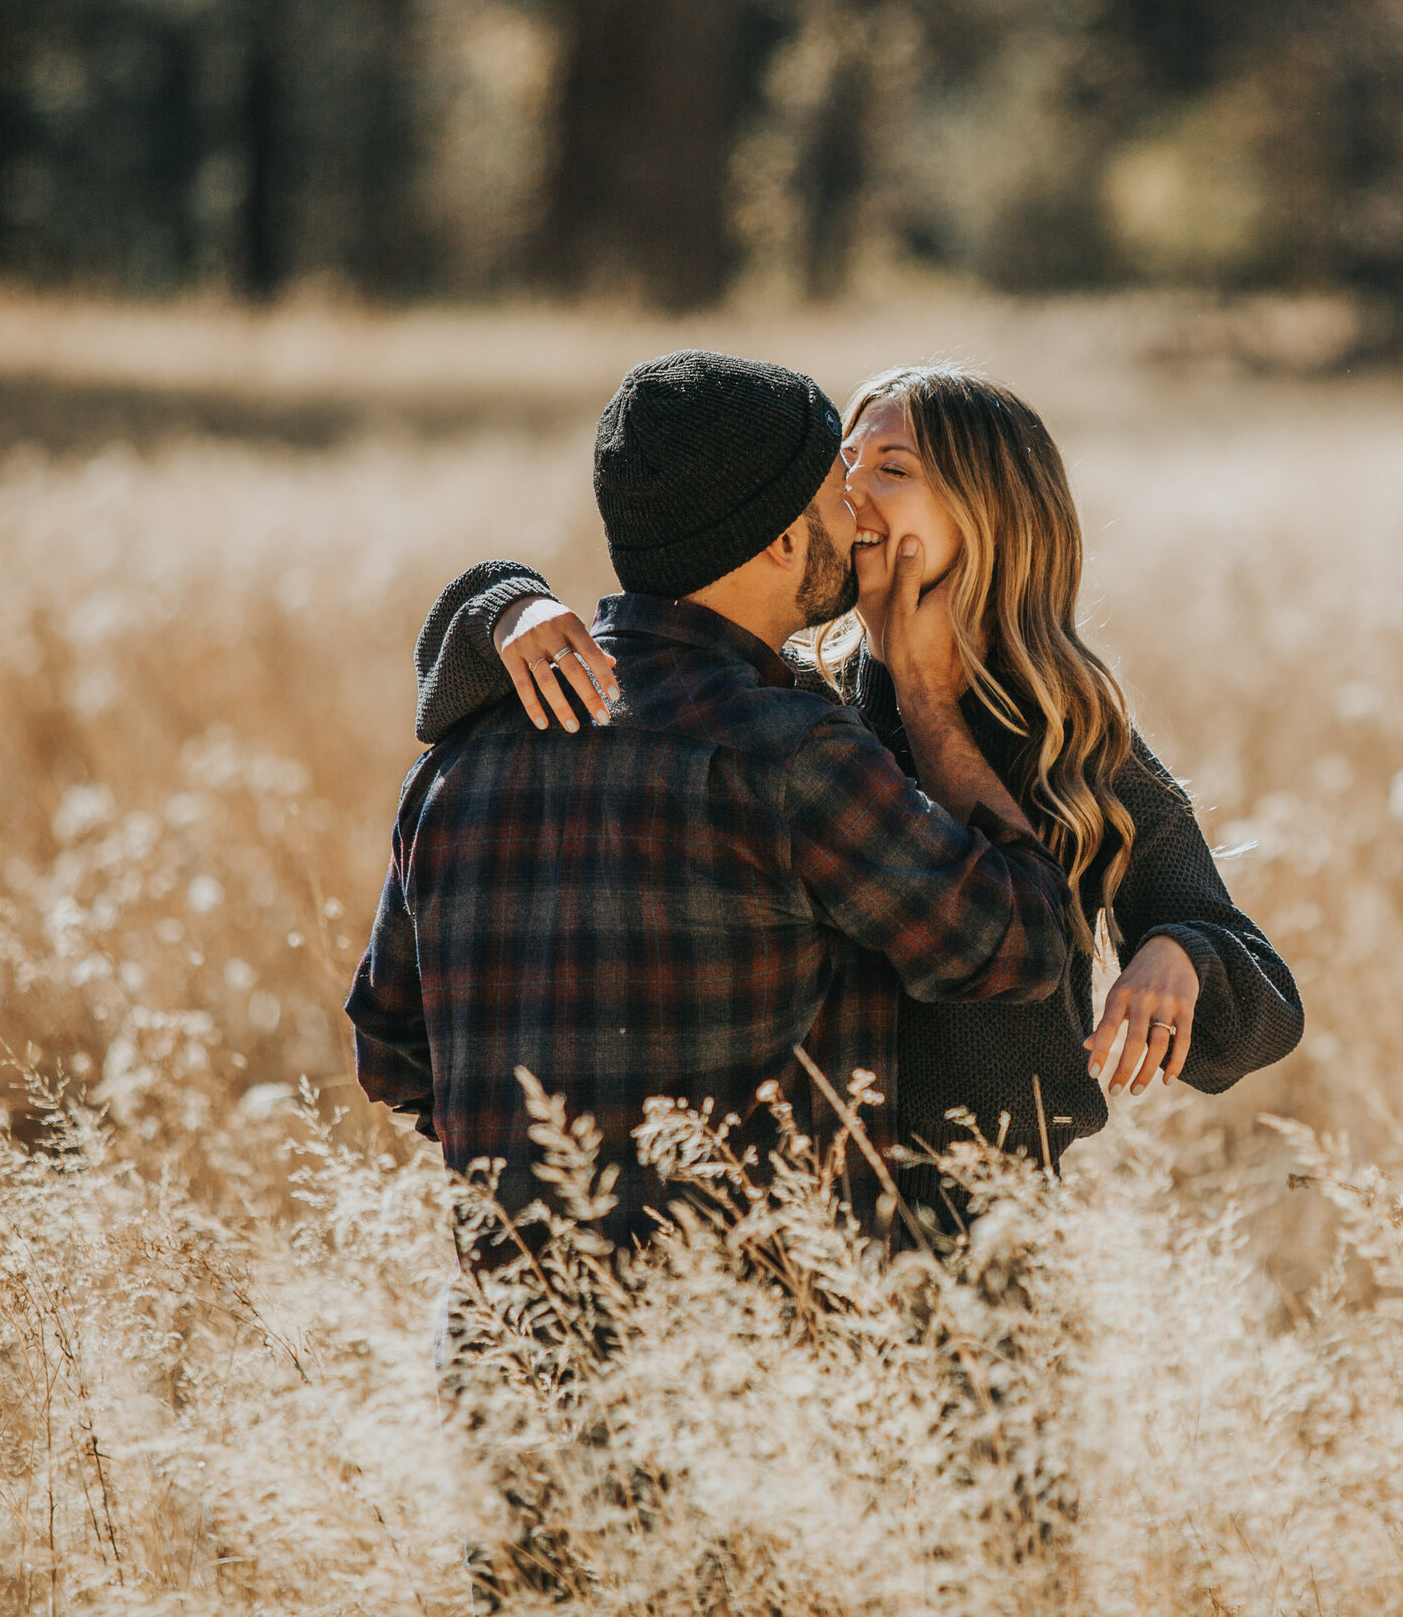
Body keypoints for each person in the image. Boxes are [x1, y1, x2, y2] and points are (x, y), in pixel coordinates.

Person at [417, 364, 1303, 1217]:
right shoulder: (791, 700)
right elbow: (624, 660)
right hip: (822, 1238)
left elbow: (1262, 1003)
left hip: (992, 1233)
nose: (851, 494)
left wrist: (1182, 950)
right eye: (844, 466)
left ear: (989, 511)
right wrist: (502, 602)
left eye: (894, 468)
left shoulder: (1069, 733)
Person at [343, 350, 1074, 1247]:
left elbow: (390, 1054)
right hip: (746, 1356)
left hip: (514, 1358)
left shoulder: (457, 763)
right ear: (781, 542)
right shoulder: (792, 754)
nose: (860, 512)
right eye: (836, 493)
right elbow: (1022, 943)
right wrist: (923, 695)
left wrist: (548, 1171)